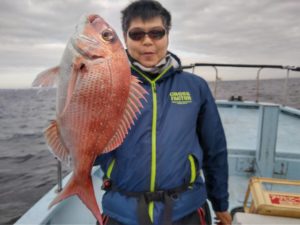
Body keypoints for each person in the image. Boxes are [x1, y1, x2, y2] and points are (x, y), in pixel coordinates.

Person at [95, 1, 232, 224]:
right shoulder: (106, 87)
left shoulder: (195, 87)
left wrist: (220, 203)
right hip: (122, 212)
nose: (147, 41)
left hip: (185, 209)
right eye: (137, 34)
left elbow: (214, 149)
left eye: (157, 33)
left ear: (167, 35)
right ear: (125, 38)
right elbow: (89, 152)